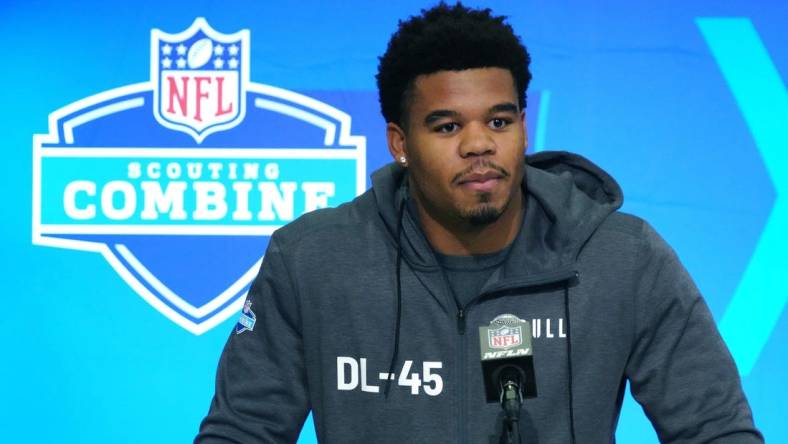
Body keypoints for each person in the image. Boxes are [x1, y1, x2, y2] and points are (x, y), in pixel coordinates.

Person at [196, 3, 763, 443]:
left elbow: (715, 430)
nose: (478, 145)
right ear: (400, 143)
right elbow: (243, 431)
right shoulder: (312, 261)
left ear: (522, 123)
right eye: (445, 127)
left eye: (498, 119)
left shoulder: (621, 258)